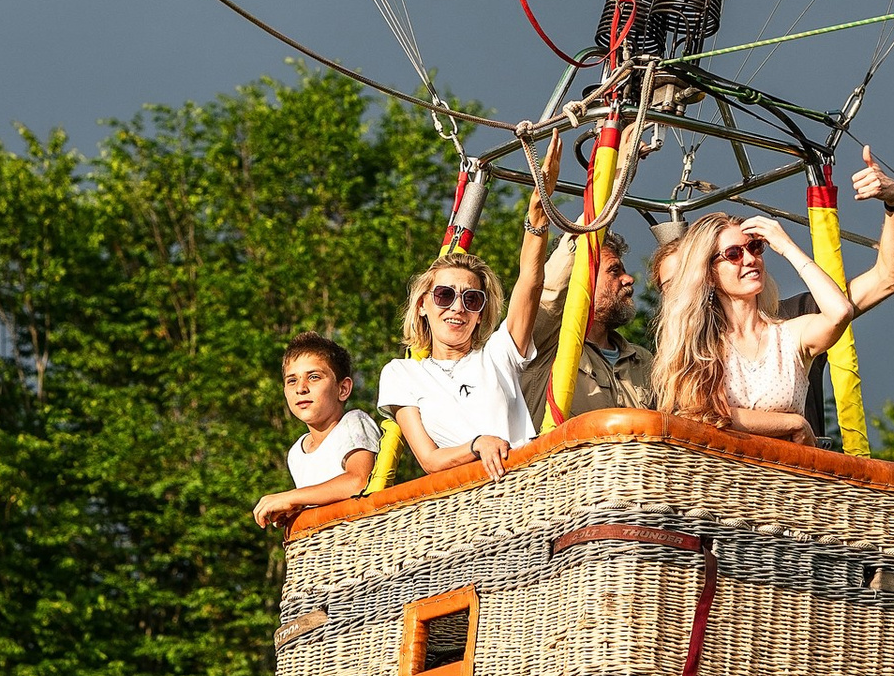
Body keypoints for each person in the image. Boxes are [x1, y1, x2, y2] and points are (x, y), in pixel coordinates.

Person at [649, 153, 894, 444]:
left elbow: (845, 308)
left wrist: (787, 246)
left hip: (787, 483)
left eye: (756, 248)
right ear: (707, 274)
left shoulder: (789, 327)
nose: (749, 259)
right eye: (734, 254)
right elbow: (702, 410)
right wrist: (791, 423)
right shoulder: (698, 340)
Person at [377, 141, 559, 480]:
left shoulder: (497, 355)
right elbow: (429, 459)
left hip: (526, 485)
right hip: (467, 501)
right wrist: (478, 445)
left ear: (480, 312)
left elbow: (531, 285)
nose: (457, 308)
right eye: (445, 295)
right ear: (422, 305)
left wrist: (537, 220)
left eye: (471, 299)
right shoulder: (402, 374)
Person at [252, 333, 383, 530]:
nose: (301, 388)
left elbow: (359, 481)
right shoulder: (297, 452)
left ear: (343, 389)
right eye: (292, 381)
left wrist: (290, 497)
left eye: (313, 377)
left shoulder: (354, 422)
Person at [524, 220, 652, 419]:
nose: (628, 279)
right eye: (614, 270)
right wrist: (592, 221)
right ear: (580, 279)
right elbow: (550, 292)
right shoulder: (544, 346)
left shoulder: (643, 360)